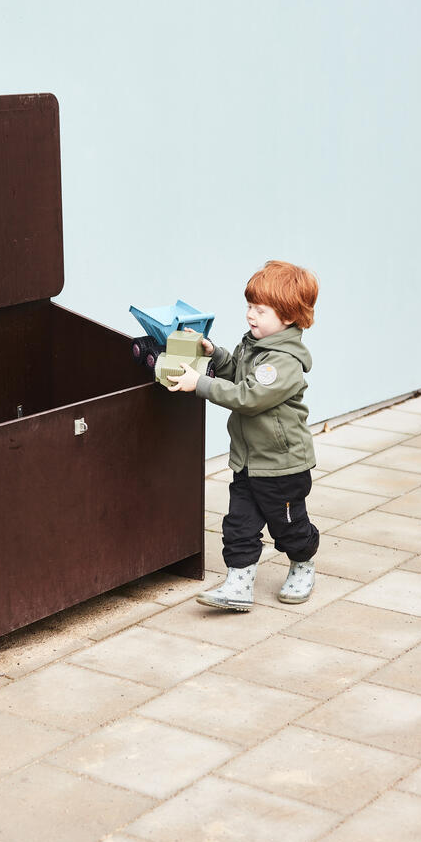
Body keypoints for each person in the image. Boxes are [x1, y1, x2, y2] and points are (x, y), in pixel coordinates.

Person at [167, 260, 320, 611]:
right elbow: (238, 371)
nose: (251, 314)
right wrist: (215, 354)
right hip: (249, 462)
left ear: (288, 316)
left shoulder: (283, 362)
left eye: (261, 310)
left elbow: (248, 397)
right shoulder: (254, 345)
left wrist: (200, 383)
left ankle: (303, 563)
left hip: (282, 466)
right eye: (250, 306)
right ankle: (238, 583)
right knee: (239, 525)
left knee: (289, 528)